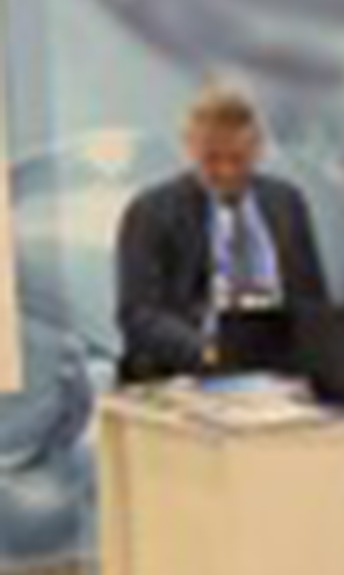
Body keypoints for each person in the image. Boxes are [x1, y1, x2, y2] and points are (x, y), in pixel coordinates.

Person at [116, 84, 330, 382]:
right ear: (190, 148)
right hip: (187, 372)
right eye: (212, 160)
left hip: (280, 370)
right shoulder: (151, 212)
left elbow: (313, 301)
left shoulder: (287, 203)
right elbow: (140, 315)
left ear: (258, 148)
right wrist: (211, 352)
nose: (227, 172)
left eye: (238, 159)